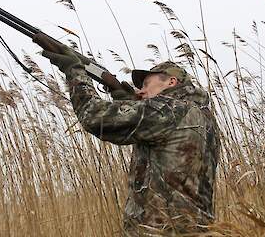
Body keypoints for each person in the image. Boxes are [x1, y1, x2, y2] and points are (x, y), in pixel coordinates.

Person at [39, 44, 220, 236]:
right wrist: (127, 103)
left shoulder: (169, 110)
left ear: (171, 82)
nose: (140, 91)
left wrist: (75, 71)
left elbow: (93, 116)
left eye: (146, 85)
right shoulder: (205, 118)